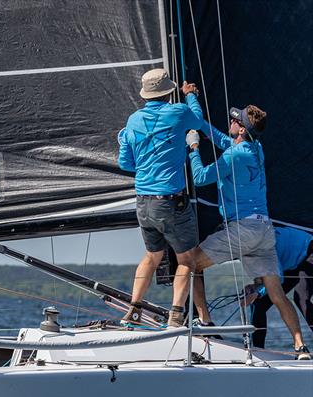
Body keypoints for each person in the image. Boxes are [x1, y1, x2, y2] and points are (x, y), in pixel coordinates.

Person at [186, 105, 308, 355]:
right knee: (276, 294)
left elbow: (199, 177)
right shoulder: (256, 148)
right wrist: (195, 114)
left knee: (189, 263)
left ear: (241, 129)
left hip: (245, 229)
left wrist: (194, 148)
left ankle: (205, 322)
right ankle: (301, 345)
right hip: (265, 230)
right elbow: (222, 139)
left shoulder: (233, 157)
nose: (230, 121)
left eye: (234, 120)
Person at [118, 68, 205, 327]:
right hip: (170, 202)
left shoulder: (133, 120)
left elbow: (126, 163)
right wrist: (190, 95)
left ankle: (133, 309)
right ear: (169, 91)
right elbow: (198, 121)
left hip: (143, 202)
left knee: (151, 256)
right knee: (187, 259)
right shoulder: (178, 112)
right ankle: (176, 316)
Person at [240, 227, 313, 353]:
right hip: (290, 263)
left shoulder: (264, 245)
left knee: (301, 298)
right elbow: (263, 278)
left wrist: (257, 293)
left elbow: (277, 278)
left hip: (308, 252)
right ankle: (258, 349)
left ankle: (300, 346)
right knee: (259, 303)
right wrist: (254, 289)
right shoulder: (247, 250)